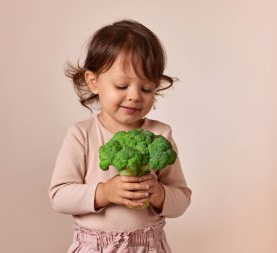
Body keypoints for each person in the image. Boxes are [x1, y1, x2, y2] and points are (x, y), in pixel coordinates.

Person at [49, 19, 191, 253]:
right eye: (122, 86)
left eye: (146, 88)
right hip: (94, 247)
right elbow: (59, 196)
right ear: (93, 82)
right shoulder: (81, 134)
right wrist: (103, 193)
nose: (135, 96)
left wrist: (159, 194)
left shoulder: (160, 135)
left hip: (148, 247)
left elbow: (182, 199)